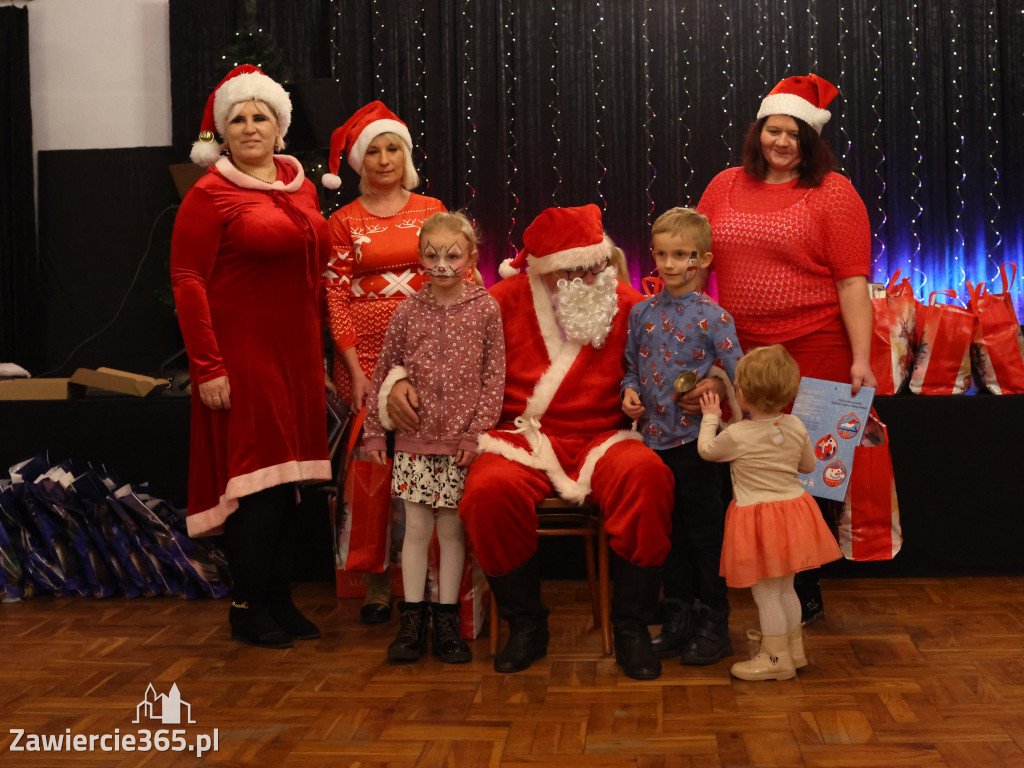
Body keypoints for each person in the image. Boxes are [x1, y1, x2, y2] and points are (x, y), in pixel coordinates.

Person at [386, 205, 674, 680]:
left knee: (648, 479)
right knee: (486, 492)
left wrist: (702, 386)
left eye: (594, 266)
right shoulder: (498, 301)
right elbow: (433, 344)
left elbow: (669, 358)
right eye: (572, 268)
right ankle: (526, 624)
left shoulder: (626, 303)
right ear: (545, 267)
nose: (585, 276)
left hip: (605, 436)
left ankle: (632, 626)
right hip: (524, 436)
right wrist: (397, 380)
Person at [696, 73, 876, 624]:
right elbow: (698, 263)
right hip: (741, 351)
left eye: (795, 134)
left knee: (814, 473)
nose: (783, 143)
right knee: (748, 463)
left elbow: (851, 282)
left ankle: (805, 581)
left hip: (817, 347)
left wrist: (862, 357)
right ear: (758, 132)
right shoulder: (723, 185)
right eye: (775, 131)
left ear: (811, 141)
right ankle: (758, 573)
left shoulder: (834, 192)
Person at [171, 64, 332, 649]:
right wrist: (208, 367)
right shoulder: (210, 194)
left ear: (279, 126)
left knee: (292, 485)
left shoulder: (303, 188)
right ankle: (246, 606)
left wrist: (318, 357)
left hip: (295, 358)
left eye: (260, 115)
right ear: (223, 130)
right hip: (242, 357)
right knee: (257, 485)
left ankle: (279, 598)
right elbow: (187, 281)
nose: (249, 126)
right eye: (236, 118)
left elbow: (314, 279)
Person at [321, 101, 447, 624]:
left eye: (392, 146)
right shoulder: (342, 221)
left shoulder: (431, 208)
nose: (384, 158)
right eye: (372, 150)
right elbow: (335, 297)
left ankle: (435, 578)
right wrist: (353, 370)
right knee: (371, 473)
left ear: (406, 153)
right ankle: (376, 583)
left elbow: (451, 273)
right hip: (366, 360)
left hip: (429, 356)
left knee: (429, 465)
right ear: (356, 161)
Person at [363, 211, 505, 664]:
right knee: (415, 530)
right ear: (419, 257)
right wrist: (373, 432)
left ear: (471, 257)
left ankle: (447, 623)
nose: (441, 263)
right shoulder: (407, 309)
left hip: (460, 446)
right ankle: (412, 622)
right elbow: (385, 372)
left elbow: (494, 379)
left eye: (452, 254)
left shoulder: (486, 308)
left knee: (451, 530)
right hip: (414, 442)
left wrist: (474, 436)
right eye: (431, 254)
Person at [621, 207, 744, 667]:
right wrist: (629, 392)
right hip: (653, 445)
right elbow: (630, 367)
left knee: (705, 534)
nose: (670, 264)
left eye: (681, 255)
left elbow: (738, 375)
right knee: (668, 534)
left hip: (699, 445)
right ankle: (677, 618)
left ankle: (714, 622)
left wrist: (739, 409)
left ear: (704, 259)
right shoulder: (641, 313)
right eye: (662, 254)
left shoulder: (715, 317)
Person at [697, 345, 842, 679]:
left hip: (758, 521)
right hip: (794, 515)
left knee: (765, 595)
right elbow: (808, 464)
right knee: (786, 589)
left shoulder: (736, 435)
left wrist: (710, 418)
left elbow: (706, 451)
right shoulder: (795, 425)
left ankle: (775, 662)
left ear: (742, 393)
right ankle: (794, 651)